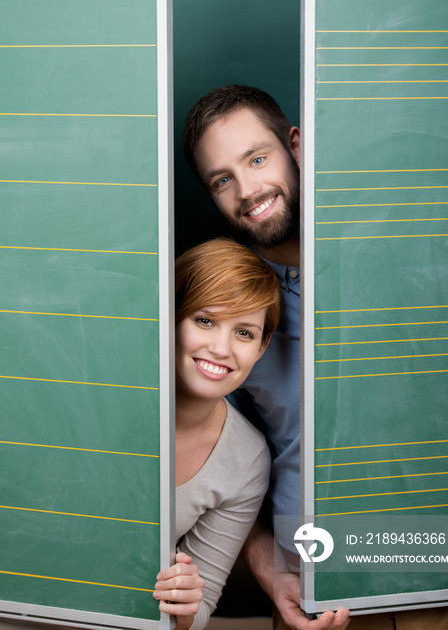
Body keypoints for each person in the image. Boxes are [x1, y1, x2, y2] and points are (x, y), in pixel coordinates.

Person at [181, 85, 448, 630]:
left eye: (257, 158)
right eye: (222, 180)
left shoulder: (415, 249)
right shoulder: (225, 324)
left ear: (295, 145)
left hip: (443, 563)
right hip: (314, 585)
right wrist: (272, 576)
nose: (247, 190)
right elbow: (232, 476)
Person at [153, 237, 281, 630]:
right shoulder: (97, 399)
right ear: (171, 315)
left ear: (261, 348)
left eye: (244, 333)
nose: (221, 348)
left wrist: (187, 602)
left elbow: (202, 605)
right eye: (205, 320)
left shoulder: (246, 459)